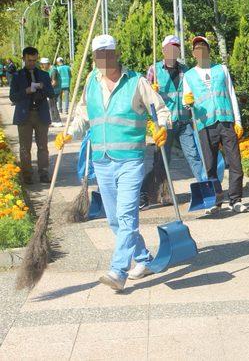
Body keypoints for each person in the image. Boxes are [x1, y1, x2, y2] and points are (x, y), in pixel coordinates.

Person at [55, 34, 170, 291]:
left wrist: (162, 126)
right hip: (102, 161)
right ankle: (143, 258)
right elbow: (82, 116)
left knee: (127, 214)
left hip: (130, 160)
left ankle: (118, 270)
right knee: (115, 221)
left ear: (116, 54)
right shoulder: (91, 84)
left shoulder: (136, 82)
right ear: (95, 59)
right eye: (99, 55)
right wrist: (69, 133)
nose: (104, 59)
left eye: (108, 53)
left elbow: (161, 109)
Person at [182, 36, 247, 214]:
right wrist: (187, 102)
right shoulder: (188, 76)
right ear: (194, 54)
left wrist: (238, 121)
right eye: (196, 48)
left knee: (235, 162)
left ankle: (235, 200)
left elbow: (231, 94)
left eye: (203, 47)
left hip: (226, 122)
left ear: (209, 50)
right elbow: (186, 101)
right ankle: (215, 201)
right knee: (209, 165)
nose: (200, 50)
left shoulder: (222, 70)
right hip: (205, 125)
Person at [139, 35, 205, 208]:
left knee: (194, 156)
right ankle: (148, 192)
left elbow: (192, 90)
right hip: (165, 123)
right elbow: (145, 97)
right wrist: (152, 89)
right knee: (161, 160)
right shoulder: (154, 70)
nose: (172, 51)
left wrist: (192, 99)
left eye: (176, 48)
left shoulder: (185, 70)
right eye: (169, 48)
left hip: (184, 121)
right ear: (163, 50)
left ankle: (205, 189)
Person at [9, 47, 56, 184]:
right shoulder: (17, 76)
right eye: (29, 60)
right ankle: (27, 174)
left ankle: (43, 173)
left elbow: (52, 94)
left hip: (41, 114)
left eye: (35, 60)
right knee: (25, 147)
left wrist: (43, 87)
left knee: (43, 146)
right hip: (24, 115)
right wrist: (26, 91)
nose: (32, 63)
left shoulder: (44, 75)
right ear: (23, 58)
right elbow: (13, 97)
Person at [40, 57, 63, 127]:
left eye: (42, 65)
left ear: (46, 64)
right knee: (51, 105)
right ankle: (53, 120)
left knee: (53, 105)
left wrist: (46, 89)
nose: (42, 67)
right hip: (52, 90)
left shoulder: (53, 70)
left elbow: (54, 82)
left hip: (55, 90)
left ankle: (57, 121)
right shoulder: (49, 70)